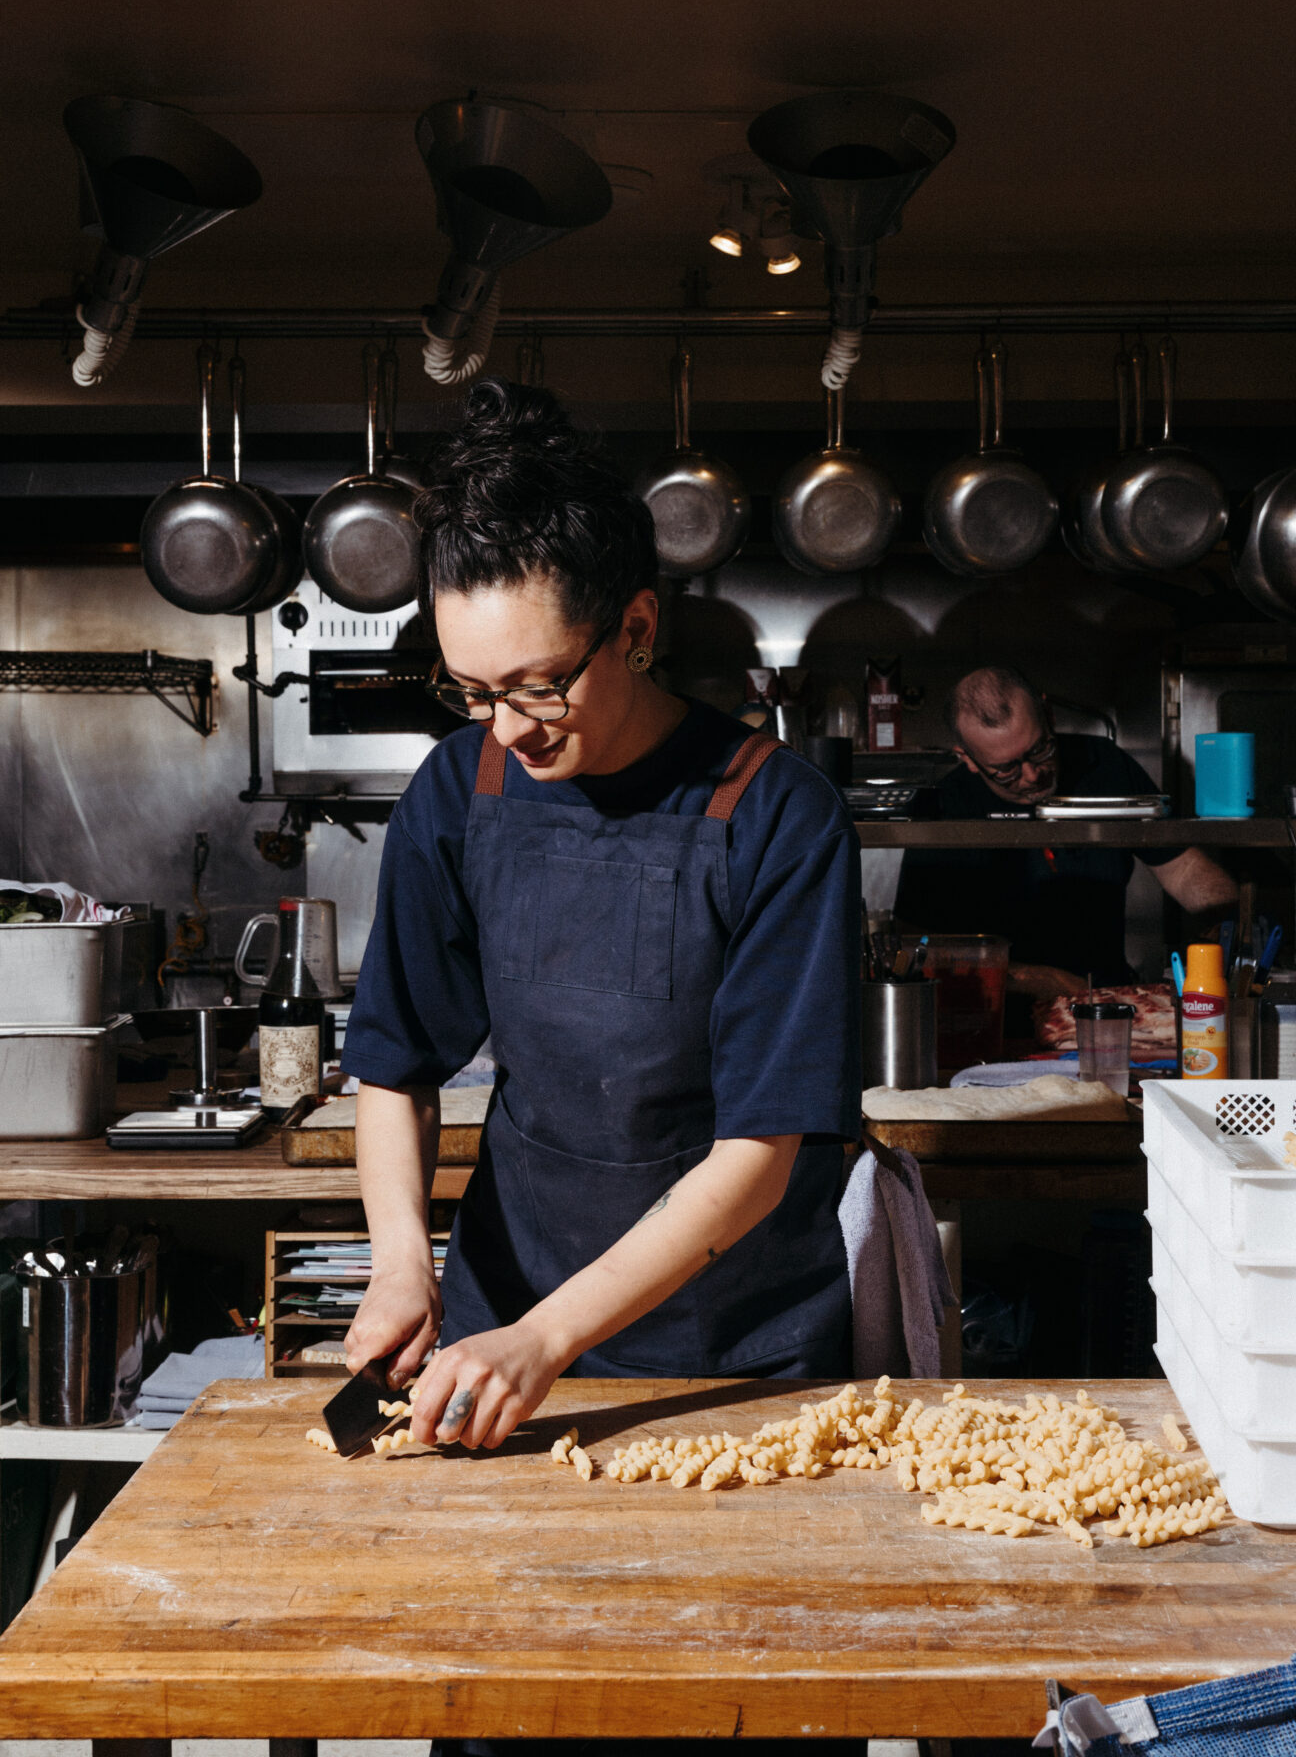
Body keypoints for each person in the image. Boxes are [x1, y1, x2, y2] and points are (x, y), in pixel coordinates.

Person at [340, 379, 860, 1453]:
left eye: (537, 686)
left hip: (732, 1354)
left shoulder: (772, 810)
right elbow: (395, 1064)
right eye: (471, 691)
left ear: (633, 626)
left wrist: (550, 1337)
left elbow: (761, 1148)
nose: (508, 728)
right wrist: (403, 1265)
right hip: (499, 1331)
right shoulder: (460, 786)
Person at [895, 665, 1236, 1001]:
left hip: (1105, 1002)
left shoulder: (1105, 765)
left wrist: (1228, 923)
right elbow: (914, 943)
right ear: (968, 759)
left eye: (1039, 750)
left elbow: (1181, 867)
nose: (1031, 775)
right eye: (1005, 769)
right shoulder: (945, 804)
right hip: (994, 1013)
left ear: (1048, 715)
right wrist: (1029, 977)